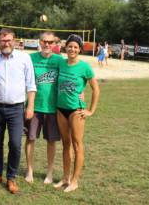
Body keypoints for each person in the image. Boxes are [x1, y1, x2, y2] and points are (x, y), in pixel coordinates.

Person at [0, 28, 36, 194]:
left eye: (9, 40)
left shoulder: (24, 58)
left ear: (14, 41)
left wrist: (30, 106)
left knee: (15, 144)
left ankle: (11, 177)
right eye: (3, 40)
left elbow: (31, 84)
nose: (6, 43)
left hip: (16, 108)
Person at [54, 34, 100, 192]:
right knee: (65, 145)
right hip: (60, 109)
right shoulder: (61, 63)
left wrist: (91, 111)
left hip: (76, 111)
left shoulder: (84, 67)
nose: (72, 49)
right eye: (70, 46)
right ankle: (65, 178)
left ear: (79, 49)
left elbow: (96, 89)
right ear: (65, 47)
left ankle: (75, 181)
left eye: (75, 47)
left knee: (77, 145)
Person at [25, 32, 63, 185]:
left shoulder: (59, 60)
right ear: (39, 42)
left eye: (50, 42)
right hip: (34, 107)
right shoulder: (31, 58)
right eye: (44, 41)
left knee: (51, 141)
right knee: (30, 139)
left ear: (54, 43)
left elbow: (71, 75)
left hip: (53, 108)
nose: (47, 44)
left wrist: (79, 93)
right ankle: (29, 171)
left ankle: (49, 173)